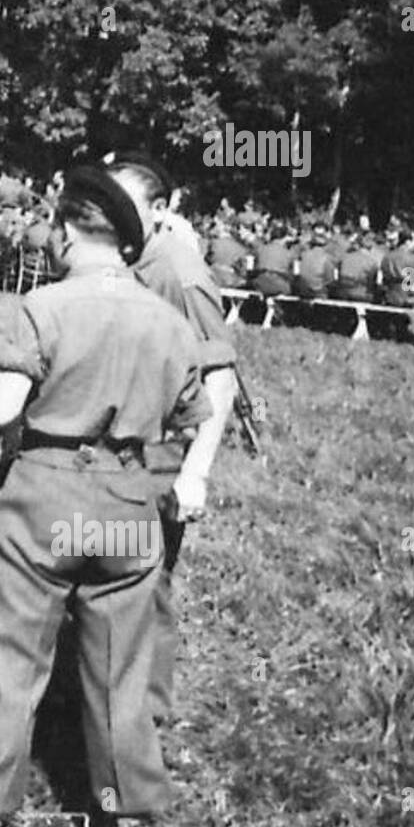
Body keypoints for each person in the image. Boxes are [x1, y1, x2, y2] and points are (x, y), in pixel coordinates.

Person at [0, 167, 209, 827]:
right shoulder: (166, 317)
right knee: (120, 663)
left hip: (45, 493)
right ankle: (128, 808)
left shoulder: (43, 305)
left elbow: (5, 409)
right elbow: (195, 417)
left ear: (70, 230)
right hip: (128, 498)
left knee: (12, 656)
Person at [103, 152, 237, 724]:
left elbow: (220, 378)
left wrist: (195, 472)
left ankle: (147, 717)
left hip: (160, 453)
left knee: (150, 582)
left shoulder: (180, 273)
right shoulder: (120, 259)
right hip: (113, 446)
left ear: (159, 211)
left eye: (123, 206)